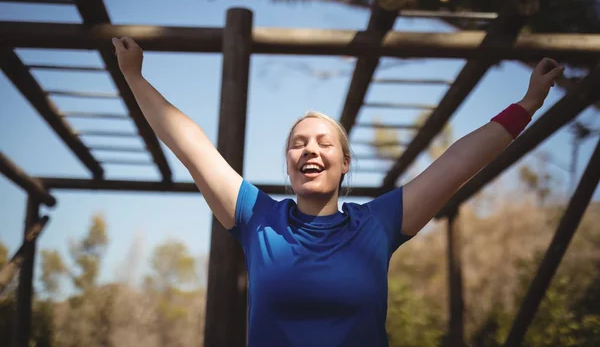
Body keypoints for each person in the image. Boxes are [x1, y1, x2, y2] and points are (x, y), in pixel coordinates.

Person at [112, 36, 564, 347]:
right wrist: (134, 77)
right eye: (298, 143)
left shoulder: (379, 224)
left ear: (344, 163)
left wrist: (526, 105)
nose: (310, 149)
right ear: (288, 165)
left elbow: (457, 163)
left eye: (324, 143)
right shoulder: (258, 219)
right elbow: (191, 146)